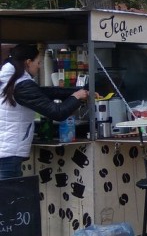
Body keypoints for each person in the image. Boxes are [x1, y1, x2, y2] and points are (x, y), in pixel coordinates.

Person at [1, 44, 92, 179]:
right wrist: (76, 97)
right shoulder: (21, 85)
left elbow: (45, 92)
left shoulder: (9, 79)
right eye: (38, 62)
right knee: (9, 197)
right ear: (28, 62)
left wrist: (79, 91)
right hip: (7, 155)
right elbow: (57, 113)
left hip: (5, 152)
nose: (39, 66)